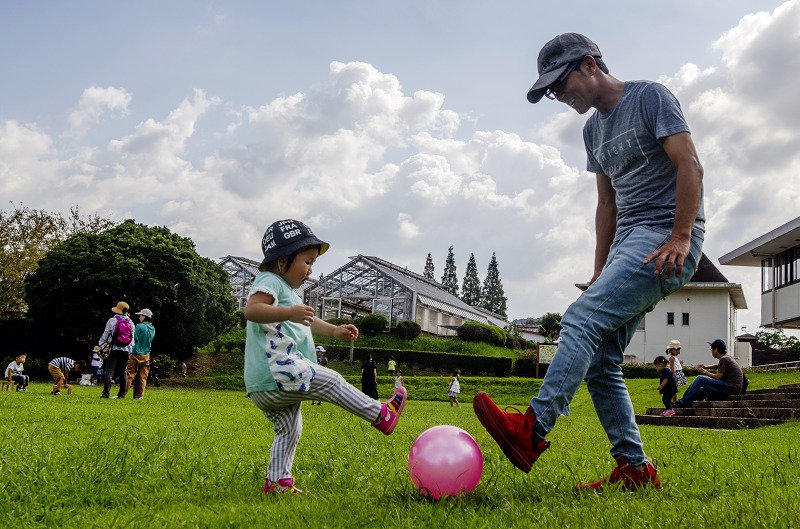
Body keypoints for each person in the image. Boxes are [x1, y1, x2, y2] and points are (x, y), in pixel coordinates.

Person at [472, 33, 705, 491]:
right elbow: (607, 205)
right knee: (601, 361)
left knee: (579, 321)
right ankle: (635, 469)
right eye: (551, 92)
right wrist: (601, 269)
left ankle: (532, 431)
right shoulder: (591, 130)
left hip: (665, 237)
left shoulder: (649, 97)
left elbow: (690, 165)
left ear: (588, 64)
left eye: (559, 84)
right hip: (628, 243)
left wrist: (681, 235)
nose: (559, 96)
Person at [243, 219, 407, 494]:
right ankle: (381, 414)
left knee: (289, 429)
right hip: (278, 371)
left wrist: (335, 330)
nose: (310, 270)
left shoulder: (289, 294)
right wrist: (288, 313)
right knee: (331, 381)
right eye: (307, 261)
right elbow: (252, 310)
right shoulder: (269, 280)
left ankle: (277, 483)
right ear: (282, 260)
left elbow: (308, 320)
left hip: (265, 384)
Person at [674, 339, 743, 407]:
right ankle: (687, 402)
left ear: (716, 350)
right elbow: (717, 366)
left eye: (711, 349)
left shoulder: (724, 359)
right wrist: (705, 366)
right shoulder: (726, 358)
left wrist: (704, 372)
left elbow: (718, 377)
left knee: (699, 379)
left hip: (730, 387)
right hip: (733, 388)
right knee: (703, 390)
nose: (711, 351)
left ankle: (682, 401)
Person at [99, 301, 134, 399]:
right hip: (125, 350)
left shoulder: (112, 320)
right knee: (123, 372)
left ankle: (106, 393)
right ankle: (122, 394)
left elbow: (106, 334)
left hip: (113, 348)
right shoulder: (130, 322)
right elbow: (132, 339)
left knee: (109, 371)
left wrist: (101, 344)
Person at [126, 308, 155, 401]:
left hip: (136, 353)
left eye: (141, 315)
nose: (139, 317)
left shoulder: (139, 326)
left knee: (129, 374)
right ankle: (139, 396)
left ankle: (122, 393)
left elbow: (134, 340)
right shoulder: (152, 328)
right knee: (142, 376)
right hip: (147, 354)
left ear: (145, 317)